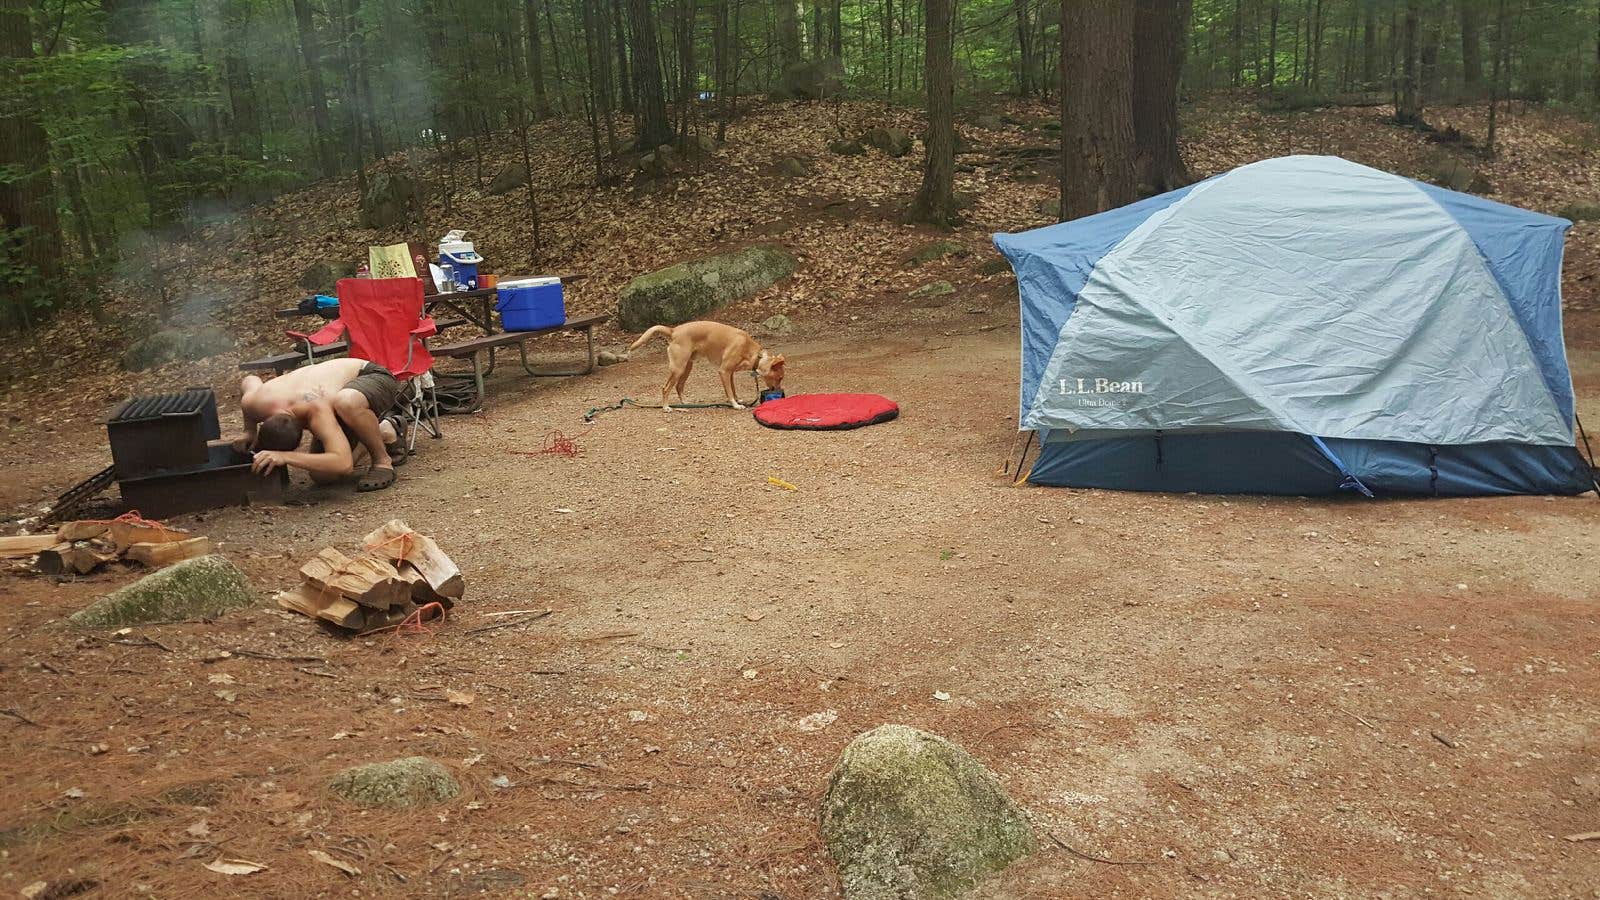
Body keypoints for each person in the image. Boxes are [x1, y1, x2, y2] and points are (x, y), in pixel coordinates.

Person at [235, 357, 404, 492]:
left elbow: (343, 464)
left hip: (370, 375)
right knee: (323, 476)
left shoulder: (316, 409)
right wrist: (249, 431)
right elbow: (249, 380)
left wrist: (285, 457)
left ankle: (382, 461)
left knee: (346, 402)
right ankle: (380, 432)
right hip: (333, 393)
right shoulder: (254, 403)